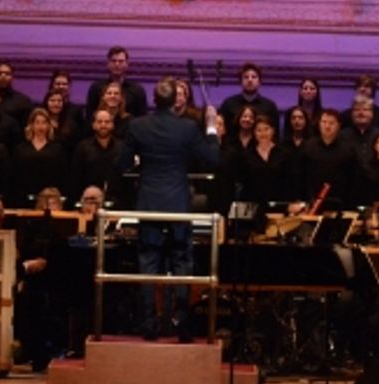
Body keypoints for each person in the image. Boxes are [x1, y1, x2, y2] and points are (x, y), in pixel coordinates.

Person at [116, 76, 218, 341]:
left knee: (148, 263)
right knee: (181, 262)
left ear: (154, 100)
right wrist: (210, 128)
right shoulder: (187, 128)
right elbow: (212, 158)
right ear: (175, 100)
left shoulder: (138, 126)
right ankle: (181, 326)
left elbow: (122, 165)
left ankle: (149, 326)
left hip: (149, 202)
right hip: (178, 204)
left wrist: (140, 161)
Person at [85, 46, 147, 121]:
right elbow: (90, 117)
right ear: (108, 64)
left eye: (121, 61)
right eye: (113, 61)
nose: (117, 64)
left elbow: (142, 120)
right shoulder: (96, 88)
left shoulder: (137, 90)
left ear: (127, 64)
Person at [219, 62, 278, 130]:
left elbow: (275, 135)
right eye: (246, 77)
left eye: (254, 77)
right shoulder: (228, 104)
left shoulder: (270, 106)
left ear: (259, 82)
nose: (250, 80)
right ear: (240, 81)